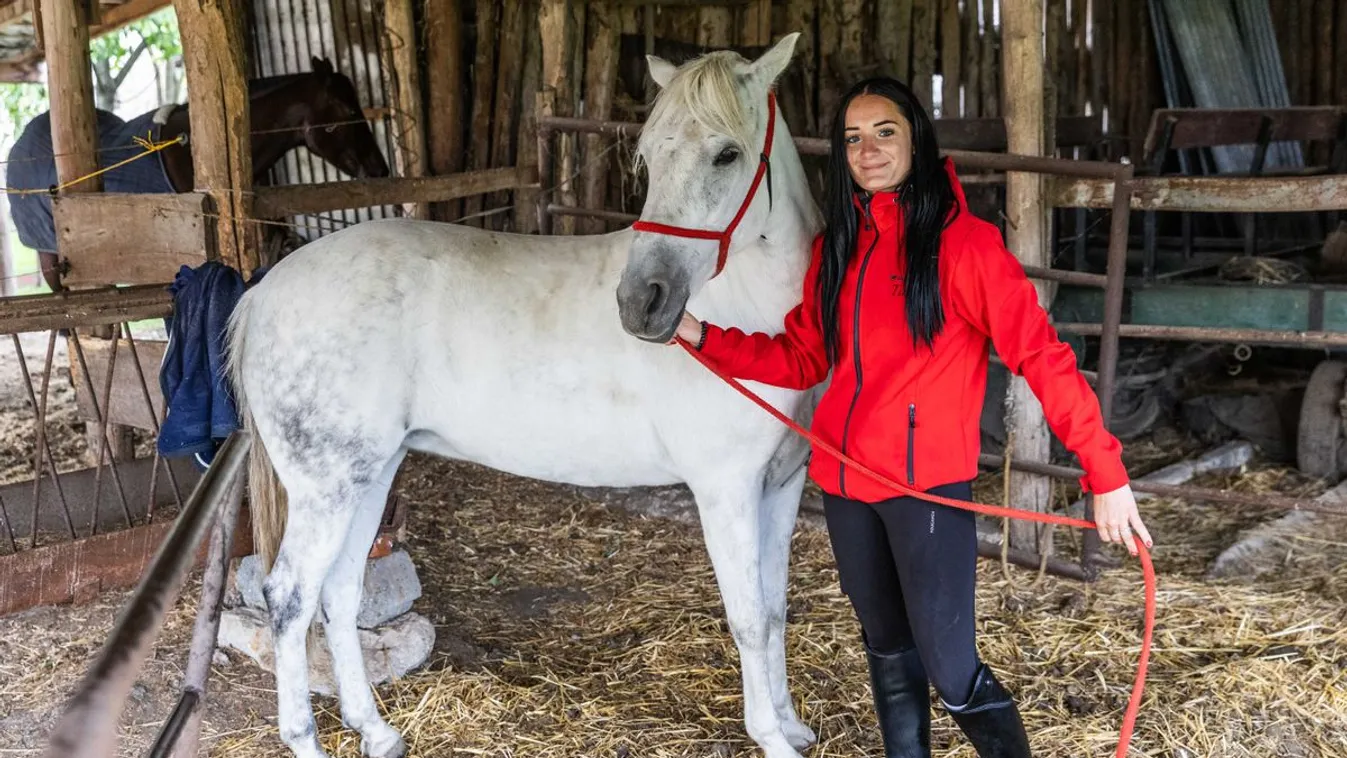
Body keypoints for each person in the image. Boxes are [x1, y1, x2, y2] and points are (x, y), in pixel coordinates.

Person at [672, 77, 1153, 758]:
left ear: (916, 139)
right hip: (843, 489)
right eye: (851, 139)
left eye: (884, 132)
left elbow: (1043, 358)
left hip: (923, 492)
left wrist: (1105, 475)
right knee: (886, 648)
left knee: (951, 670)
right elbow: (804, 357)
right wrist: (701, 337)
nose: (866, 151)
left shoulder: (965, 246)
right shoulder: (838, 247)